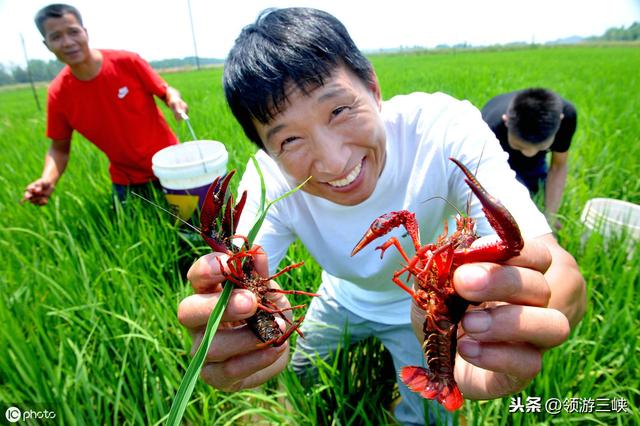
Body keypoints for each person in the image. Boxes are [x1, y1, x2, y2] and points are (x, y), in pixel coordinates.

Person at [177, 8, 586, 425]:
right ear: (266, 150)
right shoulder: (268, 181)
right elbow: (241, 268)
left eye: (338, 111)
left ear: (372, 86)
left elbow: (554, 265)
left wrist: (524, 322)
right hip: (338, 298)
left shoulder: (445, 129)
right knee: (297, 374)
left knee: (427, 418)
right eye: (290, 139)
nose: (334, 163)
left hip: (426, 317)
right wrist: (233, 328)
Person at [22, 3, 188, 206]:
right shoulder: (58, 94)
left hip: (171, 165)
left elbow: (166, 91)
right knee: (132, 233)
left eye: (73, 32)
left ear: (85, 32)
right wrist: (48, 179)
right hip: (126, 180)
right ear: (46, 44)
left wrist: (174, 100)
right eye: (56, 37)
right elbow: (59, 149)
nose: (67, 42)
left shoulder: (127, 62)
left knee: (192, 229)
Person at [481, 88, 577, 225]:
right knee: (508, 203)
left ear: (559, 122)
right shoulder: (489, 127)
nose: (529, 153)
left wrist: (551, 218)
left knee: (534, 194)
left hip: (532, 159)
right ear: (506, 120)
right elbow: (483, 179)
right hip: (500, 152)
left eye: (541, 147)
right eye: (520, 146)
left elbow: (558, 166)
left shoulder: (566, 117)